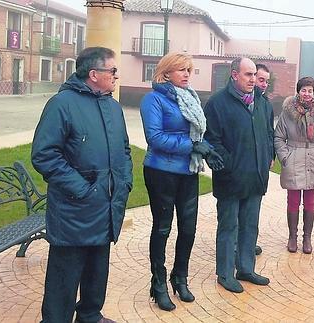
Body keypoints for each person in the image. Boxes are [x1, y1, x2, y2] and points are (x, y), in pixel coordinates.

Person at [31, 47, 132, 323]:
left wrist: (125, 182)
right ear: (94, 74)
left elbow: (124, 149)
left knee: (97, 269)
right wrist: (82, 189)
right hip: (75, 210)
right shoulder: (62, 104)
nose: (116, 76)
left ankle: (89, 315)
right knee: (65, 275)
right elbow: (44, 155)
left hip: (106, 206)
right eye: (112, 71)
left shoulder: (112, 106)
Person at [139, 53, 224, 311]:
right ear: (165, 73)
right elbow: (155, 138)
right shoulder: (153, 99)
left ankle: (180, 277)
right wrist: (195, 145)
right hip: (161, 171)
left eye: (189, 69)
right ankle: (158, 283)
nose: (187, 74)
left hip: (188, 170)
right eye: (181, 70)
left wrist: (206, 149)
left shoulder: (190, 98)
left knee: (188, 228)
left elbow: (197, 133)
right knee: (163, 228)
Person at [204, 57, 274, 293]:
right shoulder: (217, 103)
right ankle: (225, 274)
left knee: (249, 226)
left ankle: (246, 268)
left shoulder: (263, 103)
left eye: (255, 75)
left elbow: (268, 136)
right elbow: (211, 140)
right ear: (234, 75)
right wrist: (230, 165)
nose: (253, 80)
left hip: (255, 177)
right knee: (229, 228)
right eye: (248, 75)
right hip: (231, 179)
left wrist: (266, 161)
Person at [274, 77, 314, 254]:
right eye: (303, 90)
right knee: (293, 200)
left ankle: (307, 238)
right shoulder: (287, 113)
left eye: (310, 91)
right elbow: (278, 137)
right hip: (294, 157)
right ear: (298, 91)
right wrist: (285, 157)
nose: (306, 94)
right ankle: (292, 236)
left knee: (310, 200)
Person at [253, 63, 274, 256]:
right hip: (243, 164)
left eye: (266, 81)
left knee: (254, 207)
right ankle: (235, 244)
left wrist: (271, 155)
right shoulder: (246, 101)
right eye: (261, 80)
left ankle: (249, 242)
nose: (264, 84)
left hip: (261, 163)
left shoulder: (266, 104)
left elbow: (269, 132)